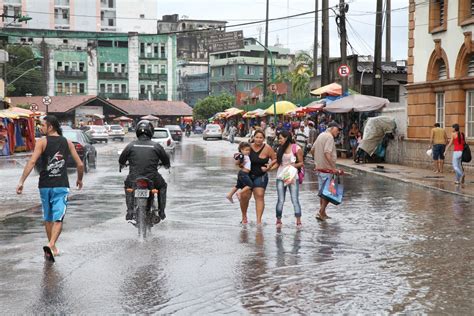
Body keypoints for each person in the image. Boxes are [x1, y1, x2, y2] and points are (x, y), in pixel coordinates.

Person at [16, 115, 84, 260]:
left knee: (48, 218)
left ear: (50, 127)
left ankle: (51, 247)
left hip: (45, 185)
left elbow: (32, 161)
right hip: (61, 185)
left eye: (42, 125)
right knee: (58, 218)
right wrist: (79, 179)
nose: (40, 127)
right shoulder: (67, 142)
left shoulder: (42, 142)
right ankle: (51, 244)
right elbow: (80, 164)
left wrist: (22, 181)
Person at [119, 120, 170, 223]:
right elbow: (166, 160)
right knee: (162, 186)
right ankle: (161, 212)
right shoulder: (156, 146)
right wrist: (166, 165)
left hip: (133, 177)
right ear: (151, 132)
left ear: (137, 131)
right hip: (152, 178)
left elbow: (121, 160)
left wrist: (122, 164)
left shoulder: (131, 145)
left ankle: (129, 210)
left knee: (128, 187)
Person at [239, 130, 277, 225]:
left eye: (261, 138)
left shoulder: (268, 148)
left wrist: (269, 167)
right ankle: (244, 216)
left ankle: (259, 220)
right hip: (247, 176)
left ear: (264, 139)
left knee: (259, 195)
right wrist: (240, 164)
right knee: (244, 196)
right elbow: (239, 158)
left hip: (261, 176)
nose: (259, 139)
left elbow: (276, 159)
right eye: (257, 137)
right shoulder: (248, 147)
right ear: (253, 137)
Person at [271, 130, 304, 227]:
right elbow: (278, 163)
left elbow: (301, 163)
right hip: (281, 176)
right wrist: (268, 169)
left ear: (286, 138)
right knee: (281, 199)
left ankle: (298, 220)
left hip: (293, 177)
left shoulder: (296, 148)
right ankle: (278, 219)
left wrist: (292, 166)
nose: (279, 140)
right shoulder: (280, 149)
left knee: (295, 199)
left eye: (280, 138)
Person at [312, 122, 342, 221]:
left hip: (320, 169)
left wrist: (317, 160)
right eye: (337, 130)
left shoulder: (321, 135)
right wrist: (333, 167)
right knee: (328, 193)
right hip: (327, 169)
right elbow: (327, 152)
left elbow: (312, 149)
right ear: (332, 128)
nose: (338, 133)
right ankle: (321, 212)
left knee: (323, 193)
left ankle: (323, 213)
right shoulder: (329, 137)